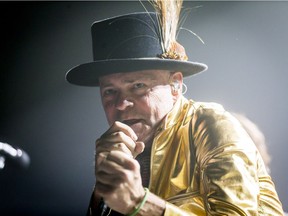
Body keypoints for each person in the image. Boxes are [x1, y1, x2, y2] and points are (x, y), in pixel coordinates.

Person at [66, 1, 284, 215]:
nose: (121, 103)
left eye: (138, 86)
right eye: (109, 92)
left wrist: (139, 204)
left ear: (175, 86)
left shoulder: (210, 124)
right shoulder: (124, 150)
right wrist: (101, 195)